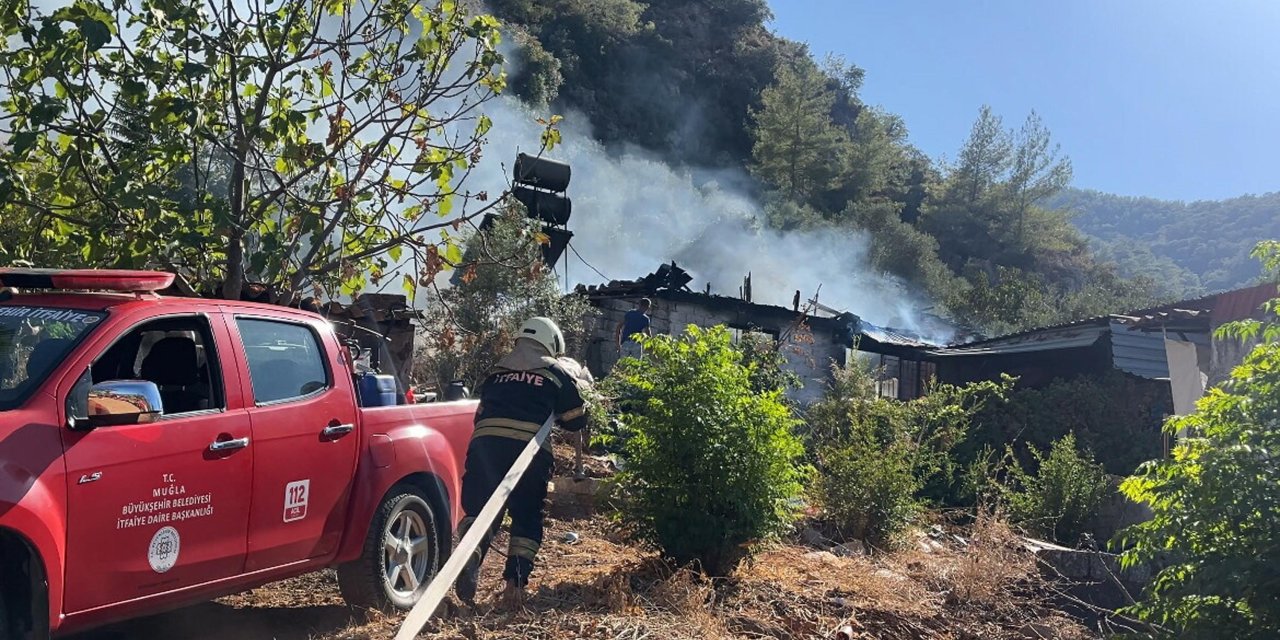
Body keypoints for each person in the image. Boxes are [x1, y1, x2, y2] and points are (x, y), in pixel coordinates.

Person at [454, 317, 589, 607]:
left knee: (480, 511)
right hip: (528, 455)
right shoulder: (555, 371)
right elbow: (576, 421)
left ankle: (470, 555)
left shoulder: (496, 373)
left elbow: (480, 415)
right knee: (527, 515)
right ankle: (514, 585)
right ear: (551, 343)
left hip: (485, 447)